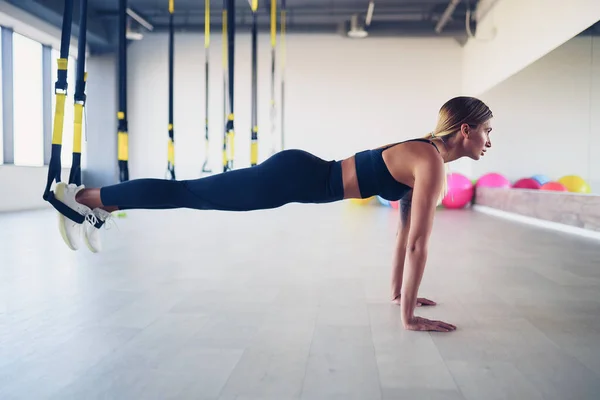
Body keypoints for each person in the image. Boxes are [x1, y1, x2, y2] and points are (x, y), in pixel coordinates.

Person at [52, 95, 493, 332]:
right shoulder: (430, 162)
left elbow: (402, 235)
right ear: (465, 129)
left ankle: (97, 201)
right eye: (487, 132)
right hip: (290, 179)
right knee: (189, 192)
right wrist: (409, 319)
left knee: (190, 193)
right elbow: (418, 243)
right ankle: (87, 199)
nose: (489, 142)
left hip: (295, 174)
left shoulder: (423, 155)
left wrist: (401, 296)